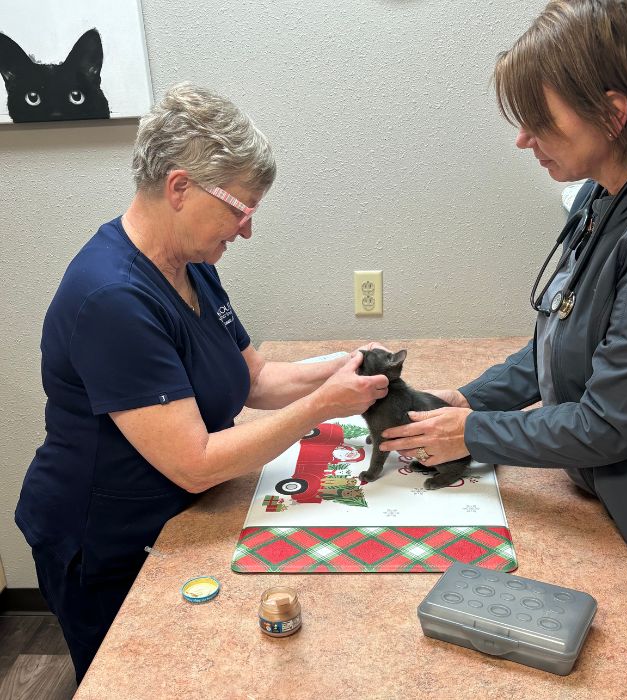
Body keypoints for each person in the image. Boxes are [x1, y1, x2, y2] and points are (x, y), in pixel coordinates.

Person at [14, 82, 389, 684]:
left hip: (180, 518)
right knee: (131, 683)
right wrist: (326, 404)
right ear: (180, 188)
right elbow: (195, 462)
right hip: (104, 539)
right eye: (240, 209)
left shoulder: (192, 265)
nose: (245, 231)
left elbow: (256, 380)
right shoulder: (113, 297)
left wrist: (349, 362)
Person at [380, 0, 627, 692]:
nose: (524, 141)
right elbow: (562, 331)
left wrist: (472, 433)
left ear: (613, 114)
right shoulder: (606, 192)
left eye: (540, 121)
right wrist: (470, 398)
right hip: (598, 507)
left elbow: (611, 420)